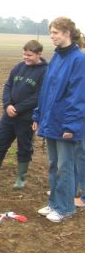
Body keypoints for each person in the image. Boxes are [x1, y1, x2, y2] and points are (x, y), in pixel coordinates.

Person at [0, 40, 47, 189]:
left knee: (24, 146)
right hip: (8, 115)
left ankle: (21, 178)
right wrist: (7, 105)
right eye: (24, 54)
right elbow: (8, 86)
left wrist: (18, 109)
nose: (25, 57)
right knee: (0, 142)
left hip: (26, 118)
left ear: (39, 54)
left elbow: (39, 96)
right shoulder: (19, 67)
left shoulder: (45, 71)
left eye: (29, 55)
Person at [34, 17, 85, 222]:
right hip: (51, 122)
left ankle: (65, 208)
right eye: (51, 32)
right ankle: (54, 203)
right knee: (54, 165)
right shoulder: (56, 58)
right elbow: (46, 90)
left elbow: (78, 95)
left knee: (66, 166)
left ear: (67, 33)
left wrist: (71, 125)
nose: (52, 36)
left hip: (65, 124)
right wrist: (38, 115)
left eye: (55, 32)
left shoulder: (78, 60)